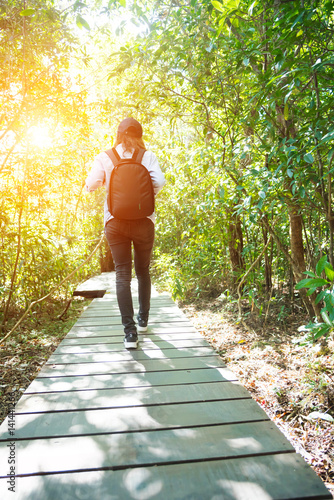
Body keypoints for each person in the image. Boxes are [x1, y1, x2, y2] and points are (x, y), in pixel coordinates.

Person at [85, 118, 166, 349]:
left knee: (122, 274)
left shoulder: (106, 157)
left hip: (115, 222)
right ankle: (143, 320)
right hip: (144, 222)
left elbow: (91, 183)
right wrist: (146, 196)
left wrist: (100, 185)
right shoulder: (147, 156)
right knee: (143, 271)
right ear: (139, 136)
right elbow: (159, 181)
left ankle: (130, 334)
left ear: (118, 135)